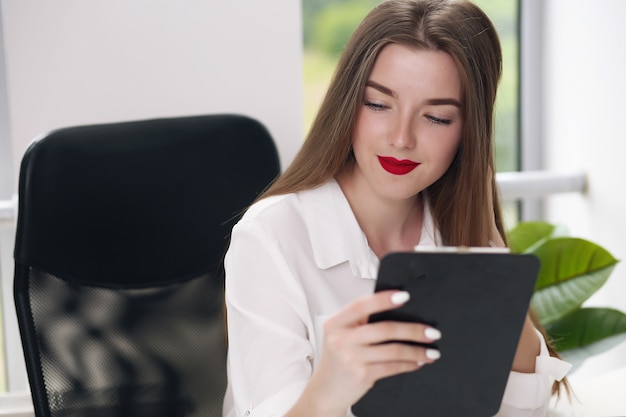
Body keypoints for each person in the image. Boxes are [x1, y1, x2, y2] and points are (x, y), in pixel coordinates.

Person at [222, 0, 571, 416]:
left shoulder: (459, 231)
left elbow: (524, 410)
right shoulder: (271, 237)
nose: (401, 138)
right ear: (348, 103)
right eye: (378, 104)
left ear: (469, 132)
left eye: (437, 117)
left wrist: (501, 294)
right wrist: (329, 390)